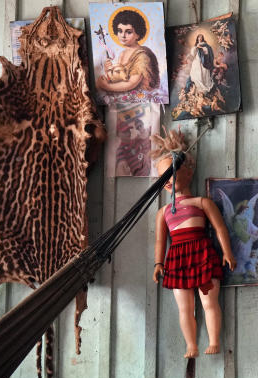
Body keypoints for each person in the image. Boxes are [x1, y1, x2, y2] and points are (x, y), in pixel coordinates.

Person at [151, 130, 236, 358]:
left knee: (209, 302)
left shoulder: (201, 202)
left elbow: (220, 228)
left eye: (172, 174)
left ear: (188, 171)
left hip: (202, 255)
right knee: (184, 307)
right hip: (177, 260)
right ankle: (191, 344)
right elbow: (161, 239)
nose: (168, 181)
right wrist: (158, 263)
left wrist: (227, 253)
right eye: (163, 177)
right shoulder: (163, 212)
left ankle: (214, 340)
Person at [96, 9, 160, 96]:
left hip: (139, 96)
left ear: (138, 34)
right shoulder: (123, 53)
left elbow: (131, 83)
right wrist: (109, 70)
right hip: (125, 92)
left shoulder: (142, 56)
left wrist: (106, 86)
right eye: (120, 31)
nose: (123, 35)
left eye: (128, 32)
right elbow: (121, 77)